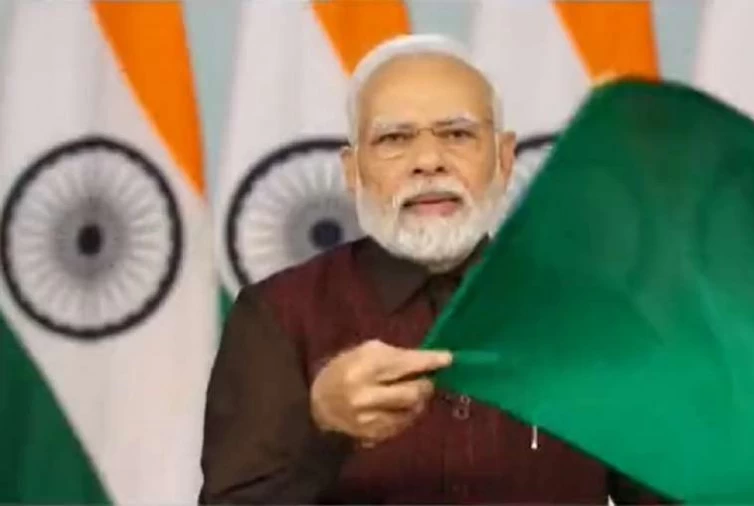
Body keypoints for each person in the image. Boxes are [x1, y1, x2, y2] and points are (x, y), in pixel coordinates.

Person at [199, 34, 672, 505]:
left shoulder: (593, 318)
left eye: (457, 134)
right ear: (353, 170)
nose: (428, 162)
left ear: (505, 159)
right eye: (394, 139)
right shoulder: (279, 315)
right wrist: (321, 425)